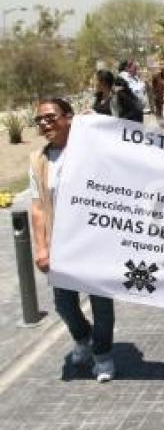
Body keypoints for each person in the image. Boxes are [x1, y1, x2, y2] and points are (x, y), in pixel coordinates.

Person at [30, 98, 116, 382]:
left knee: (101, 304)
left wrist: (96, 124)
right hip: (60, 246)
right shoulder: (39, 160)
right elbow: (39, 206)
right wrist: (42, 247)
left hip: (94, 242)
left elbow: (120, 154)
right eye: (40, 120)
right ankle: (83, 338)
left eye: (51, 117)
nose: (45, 124)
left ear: (68, 118)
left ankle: (102, 356)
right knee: (64, 304)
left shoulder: (88, 150)